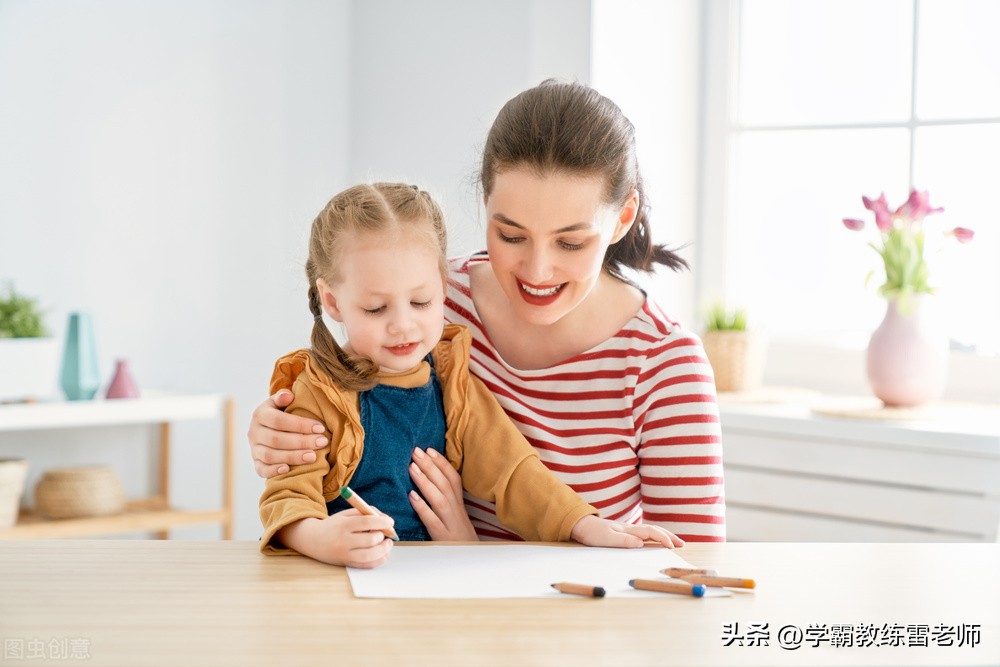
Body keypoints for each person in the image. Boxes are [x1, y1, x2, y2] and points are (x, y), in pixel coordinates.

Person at [251, 80, 725, 544]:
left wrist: (467, 552)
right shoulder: (432, 302)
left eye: (571, 241)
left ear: (622, 218)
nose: (537, 271)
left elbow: (688, 585)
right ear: (486, 206)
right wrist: (280, 434)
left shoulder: (664, 365)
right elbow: (333, 407)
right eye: (511, 235)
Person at [259, 181, 683, 568]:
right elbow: (287, 496)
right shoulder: (316, 390)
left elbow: (514, 471)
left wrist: (584, 524)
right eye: (376, 308)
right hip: (338, 588)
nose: (403, 325)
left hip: (433, 585)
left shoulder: (453, 382)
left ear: (443, 287)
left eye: (421, 302)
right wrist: (319, 538)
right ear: (332, 302)